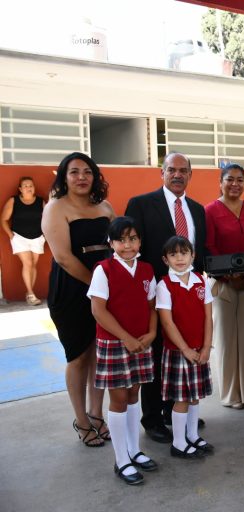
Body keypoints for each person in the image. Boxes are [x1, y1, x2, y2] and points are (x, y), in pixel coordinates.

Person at [125, 152, 207, 444]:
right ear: (162, 172)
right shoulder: (142, 204)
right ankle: (154, 418)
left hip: (190, 295)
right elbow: (132, 248)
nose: (177, 175)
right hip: (158, 294)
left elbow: (202, 254)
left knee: (184, 354)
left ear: (190, 175)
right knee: (158, 356)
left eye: (183, 170)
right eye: (171, 169)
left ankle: (180, 409)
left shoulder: (197, 210)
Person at [41, 152, 115, 447]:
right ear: (64, 177)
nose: (82, 177)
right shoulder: (55, 208)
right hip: (71, 290)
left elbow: (117, 245)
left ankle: (97, 414)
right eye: (74, 172)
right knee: (78, 355)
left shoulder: (106, 207)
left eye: (87, 172)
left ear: (95, 176)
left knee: (99, 352)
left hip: (103, 287)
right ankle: (81, 420)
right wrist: (96, 288)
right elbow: (63, 257)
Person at [87, 217, 158, 485]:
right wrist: (126, 338)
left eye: (132, 239)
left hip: (140, 342)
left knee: (133, 394)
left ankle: (134, 450)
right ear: (111, 242)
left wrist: (151, 333)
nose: (127, 245)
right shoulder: (103, 270)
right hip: (115, 344)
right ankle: (121, 460)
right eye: (121, 239)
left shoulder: (147, 270)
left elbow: (152, 307)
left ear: (140, 241)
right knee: (117, 400)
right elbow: (98, 310)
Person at [205, 163, 244, 409]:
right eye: (230, 179)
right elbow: (208, 245)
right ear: (220, 182)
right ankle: (231, 395)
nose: (235, 184)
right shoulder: (210, 210)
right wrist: (228, 275)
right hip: (222, 283)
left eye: (240, 180)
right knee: (226, 339)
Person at [156, 236, 214, 458]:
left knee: (194, 396)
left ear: (193, 256)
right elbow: (167, 322)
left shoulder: (201, 280)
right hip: (179, 352)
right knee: (181, 399)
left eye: (184, 253)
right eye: (173, 254)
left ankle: (193, 436)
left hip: (200, 349)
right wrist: (185, 349)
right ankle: (178, 443)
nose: (179, 258)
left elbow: (209, 317)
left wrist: (207, 346)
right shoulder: (164, 285)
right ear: (165, 259)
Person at [1, 177, 46, 305]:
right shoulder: (13, 200)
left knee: (33, 265)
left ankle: (29, 293)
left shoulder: (40, 201)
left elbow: (49, 218)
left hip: (37, 237)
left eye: (30, 185)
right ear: (20, 189)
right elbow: (3, 219)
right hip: (19, 237)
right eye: (25, 186)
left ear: (34, 188)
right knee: (28, 263)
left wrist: (45, 235)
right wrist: (11, 236)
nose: (28, 187)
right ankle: (31, 294)